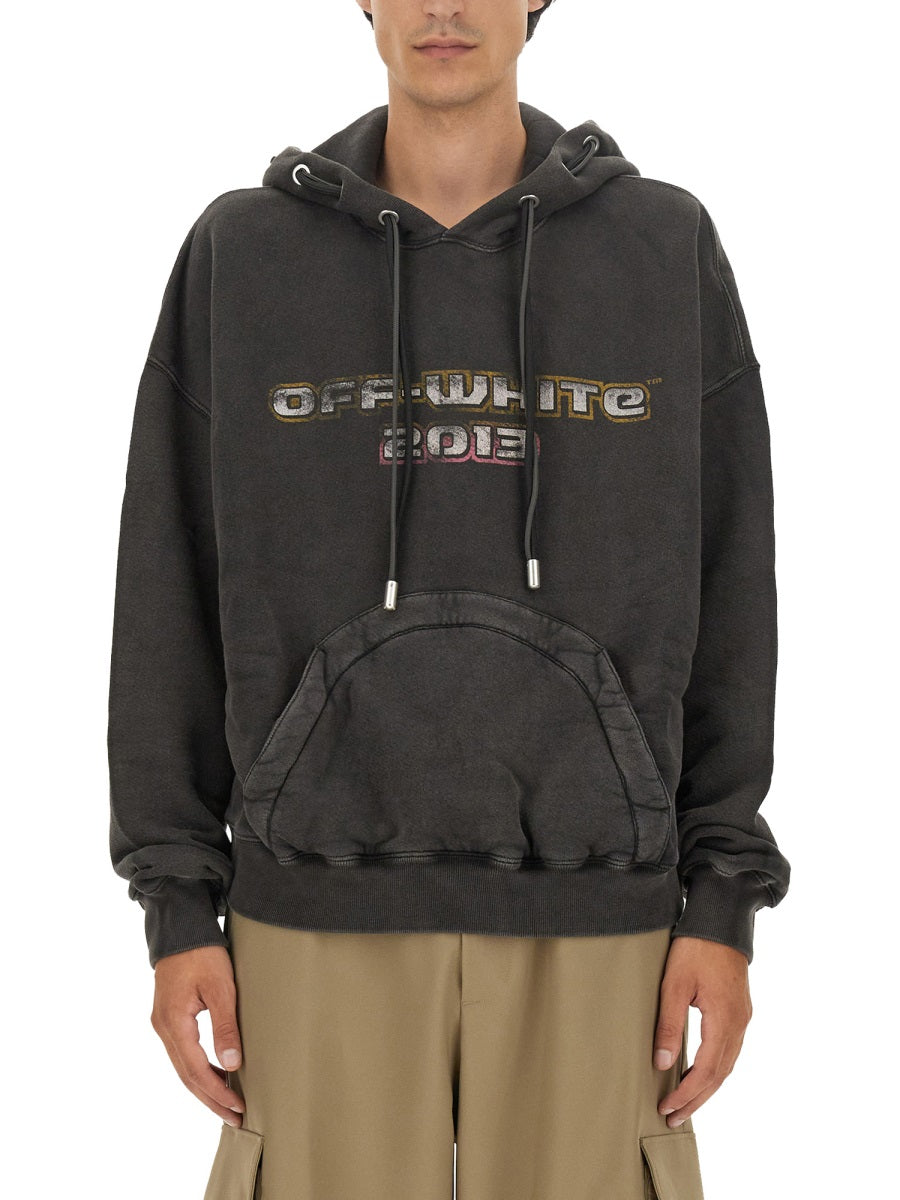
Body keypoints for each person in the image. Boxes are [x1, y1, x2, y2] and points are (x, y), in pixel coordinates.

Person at [107, 2, 791, 1196]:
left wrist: (723, 902)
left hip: (604, 911)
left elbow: (731, 578)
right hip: (309, 907)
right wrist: (176, 904)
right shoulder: (244, 254)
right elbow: (167, 578)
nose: (445, 6)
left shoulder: (661, 247)